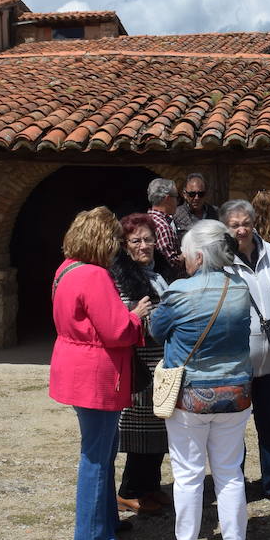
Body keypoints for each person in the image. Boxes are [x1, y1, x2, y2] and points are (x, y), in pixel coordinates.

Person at [150, 220, 254, 540]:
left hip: (190, 394)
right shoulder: (240, 287)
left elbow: (156, 330)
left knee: (188, 473)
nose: (182, 258)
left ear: (198, 255)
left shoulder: (179, 291)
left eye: (185, 253)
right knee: (230, 470)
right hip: (235, 391)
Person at [49, 207, 152, 540]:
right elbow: (116, 330)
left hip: (76, 367)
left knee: (104, 450)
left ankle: (106, 520)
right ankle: (93, 538)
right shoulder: (94, 275)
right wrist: (135, 317)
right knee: (96, 456)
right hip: (96, 374)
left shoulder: (66, 269)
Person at [221, 199, 270, 506]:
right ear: (225, 228)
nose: (242, 230)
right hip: (237, 362)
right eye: (235, 225)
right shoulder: (221, 260)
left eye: (246, 223)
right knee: (233, 428)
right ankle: (234, 484)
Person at [108, 213, 170, 514]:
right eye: (136, 241)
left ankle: (150, 487)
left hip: (160, 361)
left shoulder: (159, 273)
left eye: (148, 239)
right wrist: (137, 313)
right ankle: (129, 491)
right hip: (140, 365)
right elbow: (118, 317)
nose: (143, 246)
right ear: (125, 245)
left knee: (158, 428)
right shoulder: (119, 277)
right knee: (139, 432)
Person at [146, 178, 183, 280]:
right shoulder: (163, 227)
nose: (178, 202)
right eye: (176, 197)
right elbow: (171, 264)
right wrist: (186, 254)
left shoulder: (147, 220)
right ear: (167, 199)